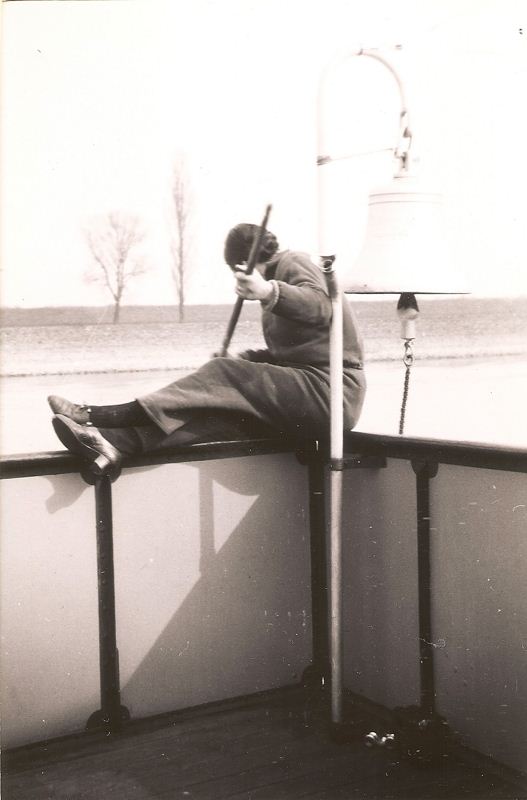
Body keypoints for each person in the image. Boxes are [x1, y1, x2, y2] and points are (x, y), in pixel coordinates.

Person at [48, 223, 366, 475]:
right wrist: (243, 359)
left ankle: (94, 414)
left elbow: (323, 306)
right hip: (314, 398)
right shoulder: (274, 285)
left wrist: (268, 291)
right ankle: (114, 443)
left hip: (333, 393)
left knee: (220, 372)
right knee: (219, 414)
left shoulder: (293, 261)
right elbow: (291, 357)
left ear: (241, 265)